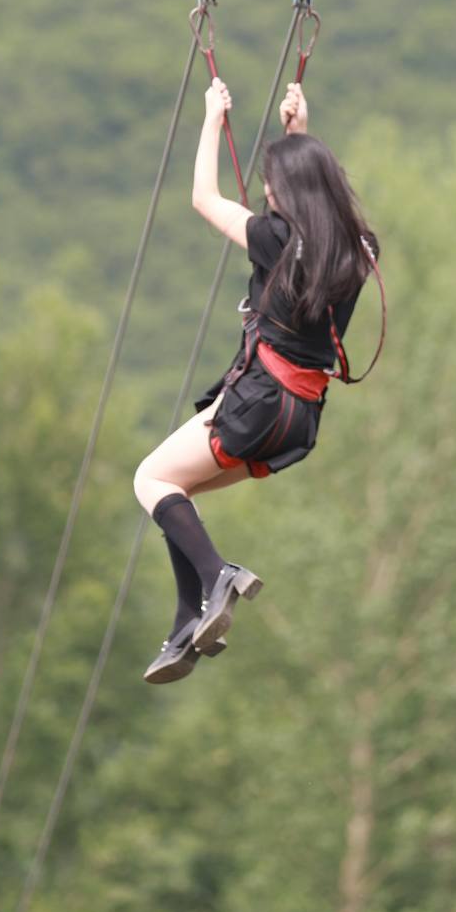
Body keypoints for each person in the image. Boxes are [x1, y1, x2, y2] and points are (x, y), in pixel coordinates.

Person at [134, 72, 379, 684]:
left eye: (272, 182)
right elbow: (317, 215)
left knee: (151, 479)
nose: (266, 190)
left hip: (260, 400)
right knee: (179, 494)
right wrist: (299, 136)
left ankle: (217, 576)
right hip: (299, 417)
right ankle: (188, 620)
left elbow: (203, 198)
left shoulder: (274, 239)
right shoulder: (361, 249)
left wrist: (212, 120)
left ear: (285, 190)